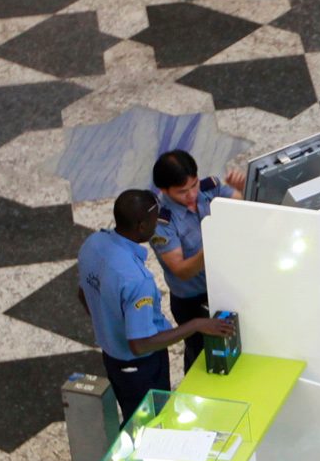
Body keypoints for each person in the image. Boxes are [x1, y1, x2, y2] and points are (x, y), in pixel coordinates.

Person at [78, 190, 231, 421]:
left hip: (112, 358)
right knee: (151, 421)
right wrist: (197, 325)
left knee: (133, 415)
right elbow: (140, 344)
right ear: (141, 226)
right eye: (154, 221)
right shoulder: (137, 280)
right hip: (140, 367)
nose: (157, 226)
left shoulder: (93, 243)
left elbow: (83, 293)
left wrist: (107, 322)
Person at [150, 148, 247, 373]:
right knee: (201, 358)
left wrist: (242, 189)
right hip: (193, 300)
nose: (192, 195)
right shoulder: (162, 223)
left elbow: (241, 205)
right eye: (182, 191)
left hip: (224, 285)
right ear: (164, 190)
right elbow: (181, 270)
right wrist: (212, 245)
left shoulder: (209, 188)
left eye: (193, 185)